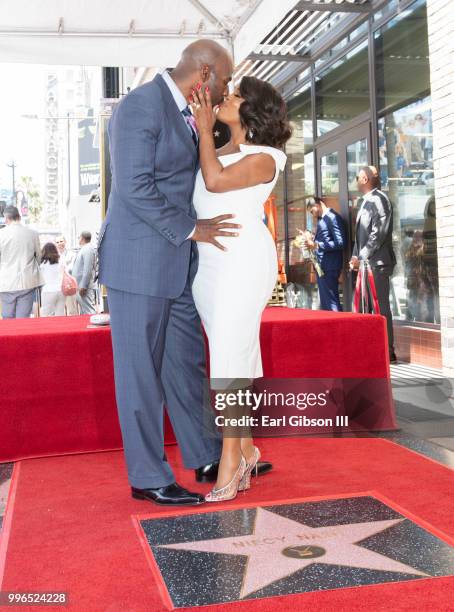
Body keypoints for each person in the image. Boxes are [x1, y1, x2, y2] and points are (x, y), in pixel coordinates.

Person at [98, 40, 272, 507]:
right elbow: (133, 186)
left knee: (185, 365)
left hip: (180, 264)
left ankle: (208, 453)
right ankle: (148, 474)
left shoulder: (193, 113)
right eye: (227, 81)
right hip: (139, 263)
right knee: (140, 373)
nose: (228, 89)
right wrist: (191, 228)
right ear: (206, 74)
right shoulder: (139, 105)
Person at [190, 75, 291, 501]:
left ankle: (231, 459)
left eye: (234, 95)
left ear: (252, 108)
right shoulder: (225, 147)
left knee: (230, 358)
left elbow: (214, 182)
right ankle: (246, 447)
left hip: (243, 262)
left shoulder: (267, 156)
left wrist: (201, 128)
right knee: (232, 353)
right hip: (209, 265)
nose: (225, 99)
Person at [349, 166, 397, 363]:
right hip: (366, 263)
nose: (356, 181)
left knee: (380, 308)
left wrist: (362, 256)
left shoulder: (379, 200)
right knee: (366, 308)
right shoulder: (366, 201)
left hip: (377, 263)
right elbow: (361, 236)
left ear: (365, 179)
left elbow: (379, 232)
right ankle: (372, 349)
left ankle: (387, 352)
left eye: (358, 177)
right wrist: (355, 257)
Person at [302, 197, 345, 312]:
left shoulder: (332, 218)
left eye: (312, 211)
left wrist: (317, 245)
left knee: (331, 302)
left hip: (329, 266)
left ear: (318, 204)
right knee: (326, 303)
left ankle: (339, 327)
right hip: (322, 267)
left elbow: (340, 242)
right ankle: (331, 328)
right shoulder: (323, 219)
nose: (312, 215)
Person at [0, 205, 43, 319]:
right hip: (27, 281)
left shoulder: (1, 234)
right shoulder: (32, 233)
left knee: (8, 319)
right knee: (23, 320)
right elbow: (39, 256)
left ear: (6, 218)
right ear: (19, 216)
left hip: (6, 282)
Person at [72, 231, 97, 314]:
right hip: (80, 285)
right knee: (84, 311)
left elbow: (87, 269)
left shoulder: (88, 249)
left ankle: (94, 326)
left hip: (84, 287)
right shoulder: (85, 249)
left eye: (79, 237)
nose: (78, 239)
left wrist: (83, 286)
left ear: (82, 238)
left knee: (89, 310)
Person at [40, 242, 65, 317]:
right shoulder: (60, 260)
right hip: (61, 290)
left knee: (47, 315)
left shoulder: (43, 263)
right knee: (60, 315)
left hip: (48, 291)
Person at [55, 235, 78, 315]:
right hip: (57, 286)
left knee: (72, 309)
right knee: (59, 312)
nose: (59, 244)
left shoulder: (72, 254)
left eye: (61, 241)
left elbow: (71, 268)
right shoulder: (53, 256)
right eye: (57, 242)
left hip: (69, 285)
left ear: (65, 242)